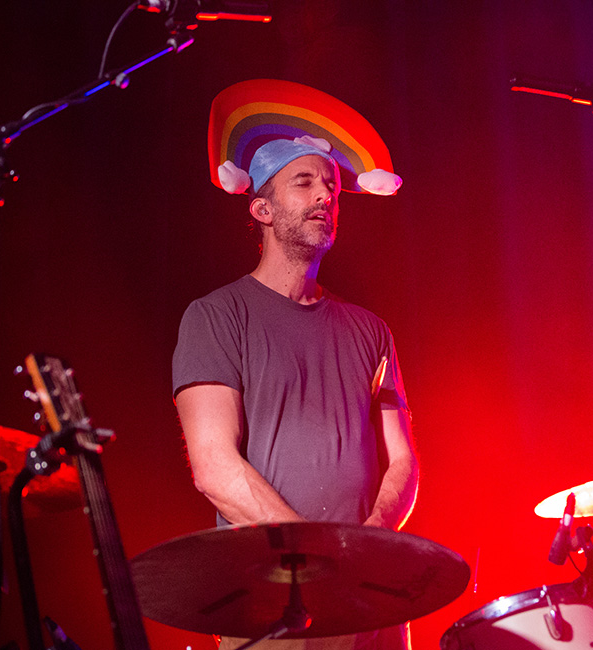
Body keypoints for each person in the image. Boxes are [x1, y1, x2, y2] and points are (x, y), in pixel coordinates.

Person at [172, 80, 417, 650]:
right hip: (271, 596)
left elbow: (402, 458)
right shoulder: (215, 316)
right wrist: (314, 555)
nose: (326, 195)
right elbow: (212, 467)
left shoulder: (372, 331)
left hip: (369, 592)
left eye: (332, 185)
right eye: (303, 182)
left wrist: (376, 534)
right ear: (260, 207)